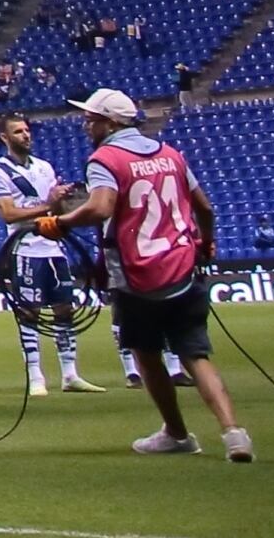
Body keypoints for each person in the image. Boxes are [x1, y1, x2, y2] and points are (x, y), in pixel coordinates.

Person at [67, 89, 249, 461]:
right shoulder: (170, 154)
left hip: (135, 276)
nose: (86, 124)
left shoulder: (105, 159)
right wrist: (207, 244)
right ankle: (234, 433)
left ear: (112, 122)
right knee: (196, 354)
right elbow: (205, 208)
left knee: (146, 354)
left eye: (92, 118)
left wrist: (59, 222)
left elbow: (100, 208)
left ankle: (177, 433)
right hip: (182, 267)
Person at [0, 114, 98, 394]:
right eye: (18, 132)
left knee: (64, 309)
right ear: (4, 138)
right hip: (25, 249)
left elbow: (54, 212)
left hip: (53, 248)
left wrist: (59, 203)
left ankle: (70, 373)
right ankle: (35, 376)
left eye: (27, 130)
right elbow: (8, 214)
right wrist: (47, 204)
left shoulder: (44, 167)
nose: (26, 135)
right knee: (29, 312)